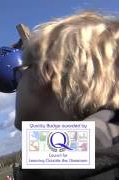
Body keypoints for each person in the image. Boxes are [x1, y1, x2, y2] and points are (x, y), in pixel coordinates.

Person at [13, 11, 119, 179]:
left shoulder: (51, 163)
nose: (17, 85)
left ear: (46, 73)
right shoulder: (109, 134)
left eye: (19, 74)